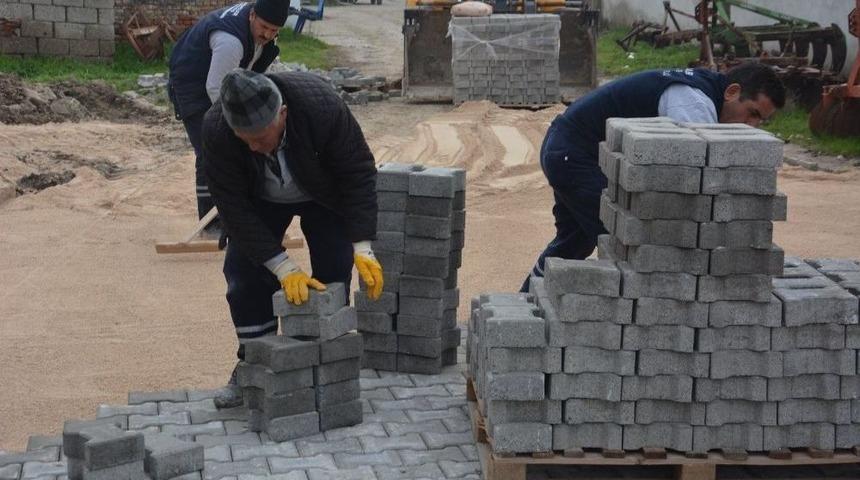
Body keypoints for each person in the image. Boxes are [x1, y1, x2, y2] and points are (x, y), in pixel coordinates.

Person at [200, 69, 384, 408]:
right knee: (243, 277)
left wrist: (363, 245)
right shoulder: (217, 130)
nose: (254, 146)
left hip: (323, 195)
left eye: (260, 136)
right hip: (260, 201)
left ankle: (327, 371)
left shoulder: (321, 106)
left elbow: (358, 173)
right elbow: (232, 206)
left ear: (281, 113)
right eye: (246, 139)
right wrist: (282, 267)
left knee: (333, 274)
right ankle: (254, 364)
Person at [521, 62, 786, 292]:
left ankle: (528, 302)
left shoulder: (703, 91)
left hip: (566, 147)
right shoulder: (694, 105)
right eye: (752, 113)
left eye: (760, 121)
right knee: (627, 243)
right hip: (574, 154)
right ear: (732, 92)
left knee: (574, 242)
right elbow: (698, 180)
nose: (751, 126)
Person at [168, 0, 287, 236]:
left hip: (221, 82)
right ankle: (211, 225)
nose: (268, 34)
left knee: (244, 147)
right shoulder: (230, 41)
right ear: (252, 15)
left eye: (274, 31)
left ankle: (242, 216)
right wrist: (240, 126)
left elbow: (252, 75)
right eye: (264, 27)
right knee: (210, 147)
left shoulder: (262, 31)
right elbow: (215, 88)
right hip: (194, 85)